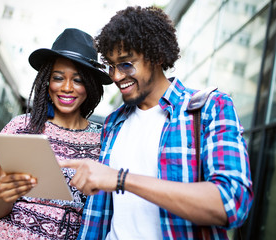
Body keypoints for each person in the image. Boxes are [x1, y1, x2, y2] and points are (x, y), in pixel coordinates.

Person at [63, 6, 254, 240]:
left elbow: (232, 202)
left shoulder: (210, 108)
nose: (116, 76)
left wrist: (121, 179)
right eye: (112, 66)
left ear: (157, 56)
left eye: (126, 64)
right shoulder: (114, 122)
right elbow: (101, 213)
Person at [0, 28, 112, 240]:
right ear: (47, 82)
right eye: (58, 77)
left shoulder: (103, 141)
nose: (67, 87)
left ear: (90, 86)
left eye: (78, 80)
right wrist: (3, 195)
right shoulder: (21, 127)